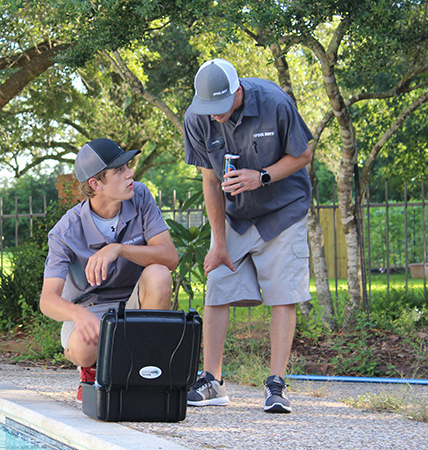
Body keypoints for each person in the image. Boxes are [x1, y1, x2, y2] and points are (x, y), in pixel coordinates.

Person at [183, 58, 314, 413]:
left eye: (220, 107)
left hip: (282, 211)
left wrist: (262, 176)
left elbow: (303, 153)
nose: (215, 116)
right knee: (218, 286)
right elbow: (210, 181)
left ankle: (276, 386)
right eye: (208, 109)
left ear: (237, 91)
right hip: (235, 216)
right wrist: (219, 243)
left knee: (283, 294)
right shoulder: (197, 118)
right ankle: (212, 381)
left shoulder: (275, 103)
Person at [40, 138, 179, 401]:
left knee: (160, 274)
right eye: (119, 171)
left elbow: (169, 257)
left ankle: (144, 369)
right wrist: (76, 314)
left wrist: (118, 249)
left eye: (127, 167)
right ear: (96, 184)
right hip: (91, 312)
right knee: (84, 346)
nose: (130, 174)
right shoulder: (65, 231)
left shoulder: (140, 196)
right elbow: (48, 300)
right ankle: (90, 371)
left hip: (136, 303)